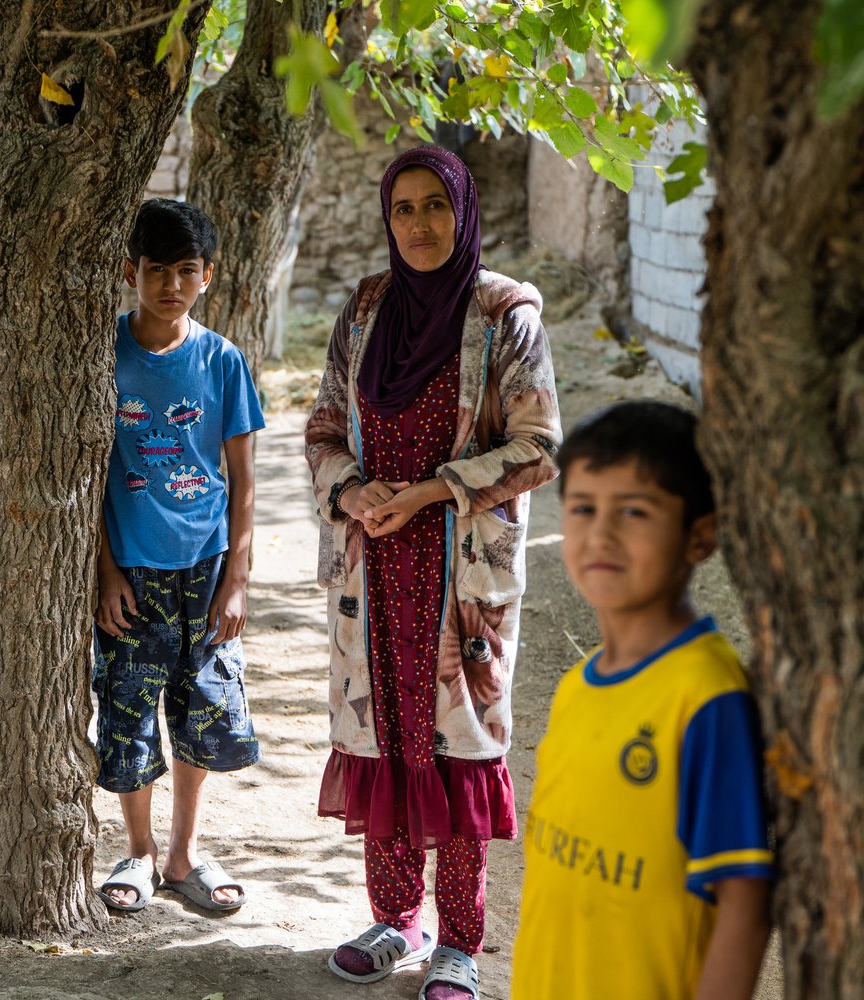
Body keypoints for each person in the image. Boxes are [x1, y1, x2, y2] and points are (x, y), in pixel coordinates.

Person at [305, 146, 561, 1000]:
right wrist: (354, 490)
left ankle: (458, 943)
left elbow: (539, 446)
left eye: (434, 206)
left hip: (461, 577)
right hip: (373, 564)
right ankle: (393, 918)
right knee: (384, 735)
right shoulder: (367, 308)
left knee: (458, 745)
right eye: (403, 209)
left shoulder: (504, 315)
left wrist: (431, 493)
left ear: (465, 211)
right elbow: (322, 429)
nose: (418, 225)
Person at [511, 401, 774, 999]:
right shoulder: (576, 688)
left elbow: (745, 901)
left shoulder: (708, 698)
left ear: (699, 536)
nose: (601, 534)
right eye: (583, 508)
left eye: (634, 511)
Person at [91, 198, 265, 914]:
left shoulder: (221, 361)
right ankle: (135, 852)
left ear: (207, 277)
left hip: (206, 569)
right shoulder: (104, 357)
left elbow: (246, 482)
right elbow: (89, 478)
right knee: (128, 713)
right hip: (131, 572)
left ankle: (183, 854)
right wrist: (103, 572)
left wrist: (237, 582)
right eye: (156, 269)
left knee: (202, 711)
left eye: (185, 271)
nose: (170, 284)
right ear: (130, 272)